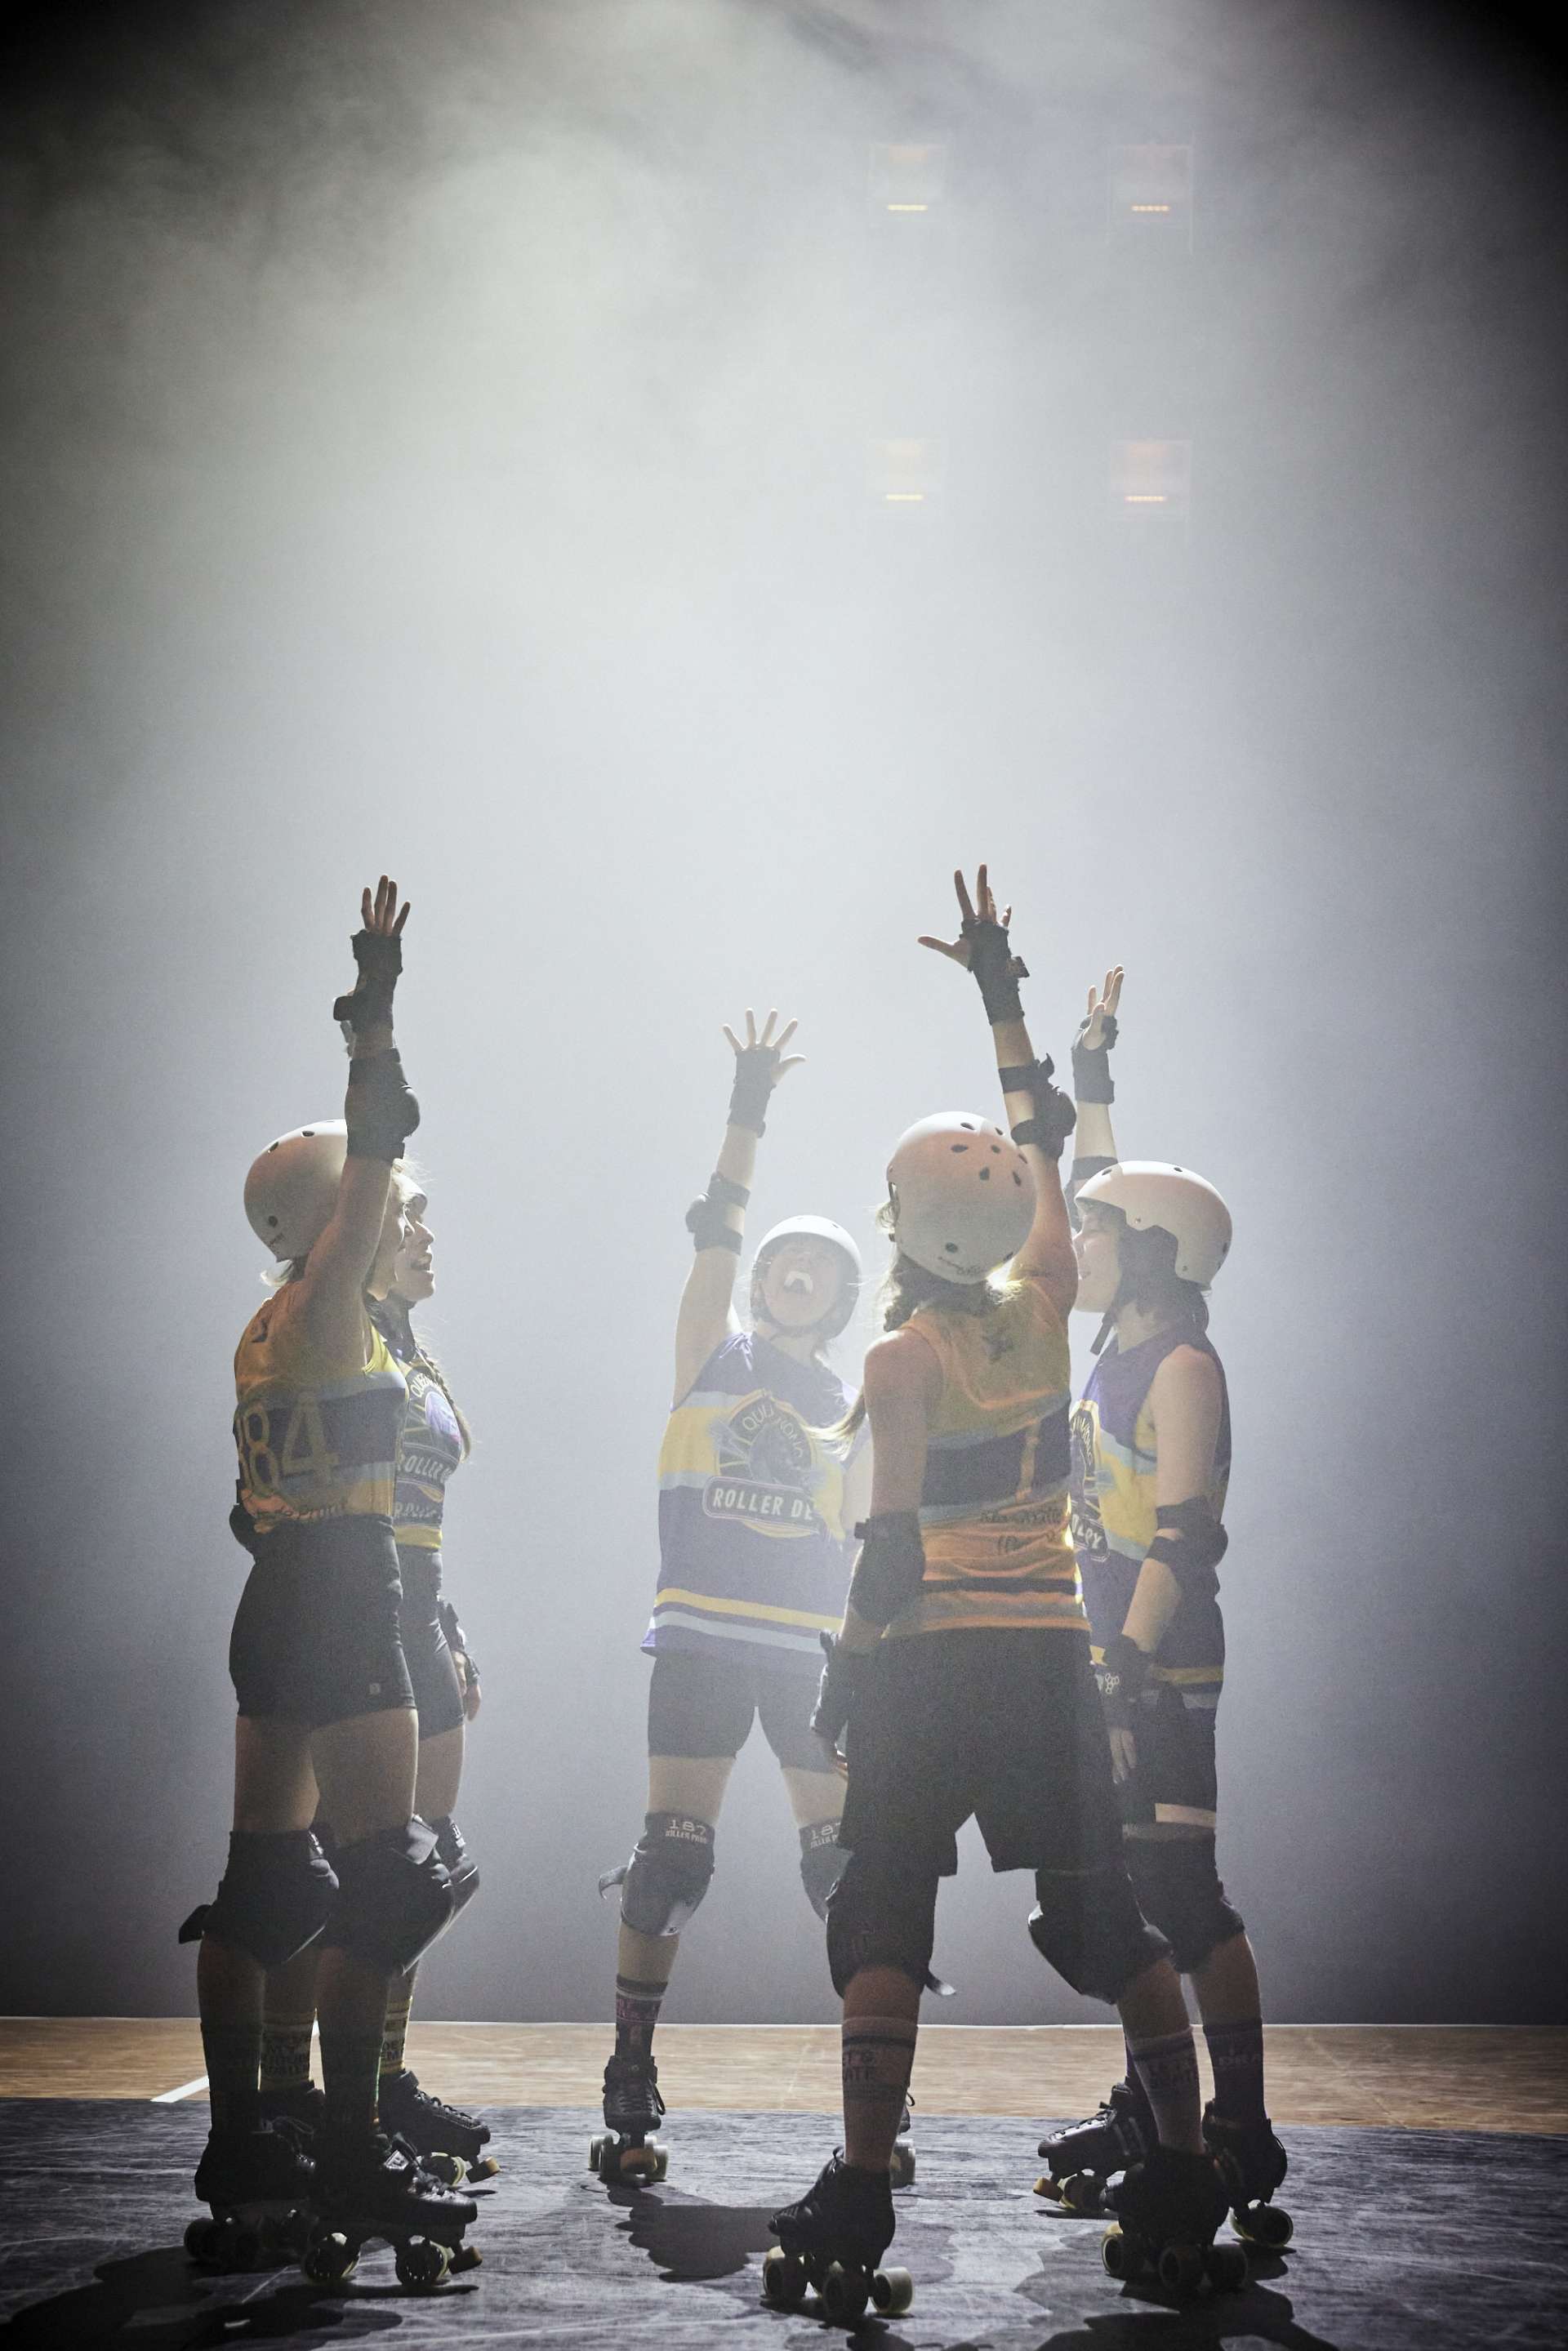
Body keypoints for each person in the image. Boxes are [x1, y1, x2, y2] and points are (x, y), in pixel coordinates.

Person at [764, 873, 1234, 2323]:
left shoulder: (899, 1360)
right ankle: (1183, 2160)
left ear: (900, 1220)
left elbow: (889, 1548)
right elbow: (1040, 1150)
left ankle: (858, 2179)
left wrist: (846, 1668)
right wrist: (1003, 1000)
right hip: (1044, 1657)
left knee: (884, 1920)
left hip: (929, 1664)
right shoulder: (1047, 1312)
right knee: (1111, 1924)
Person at [179, 879, 477, 2267]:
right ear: (326, 1223)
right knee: (385, 1884)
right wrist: (376, 1002)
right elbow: (371, 1154)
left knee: (265, 1885)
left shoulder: (267, 1325)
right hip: (350, 1590)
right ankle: (352, 2152)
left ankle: (249, 2137)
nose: (396, 1218)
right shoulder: (329, 1300)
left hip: (280, 1598)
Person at [1035, 970, 1291, 2246]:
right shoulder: (1122, 1339)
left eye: (1100, 1239)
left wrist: (1125, 1665)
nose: (1077, 1249)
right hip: (1106, 1642)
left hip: (1158, 1647)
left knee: (1181, 1896)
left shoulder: (1181, 1361)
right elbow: (1114, 1193)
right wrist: (1092, 1076)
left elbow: (1188, 1534)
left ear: (1148, 1262)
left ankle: (1235, 2124)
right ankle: (1161, 2108)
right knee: (1122, 1897)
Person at [594, 1010, 870, 2185]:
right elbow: (713, 1229)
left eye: (819, 1263)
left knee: (845, 1869)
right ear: (761, 1281)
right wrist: (748, 1110)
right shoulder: (716, 1352)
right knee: (672, 1861)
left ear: (845, 1293)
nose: (792, 1269)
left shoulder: (860, 1396)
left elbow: (863, 1536)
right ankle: (629, 2068)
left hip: (808, 1649)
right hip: (704, 1636)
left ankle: (876, 2096)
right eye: (780, 1260)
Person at [257, 1176, 494, 2179]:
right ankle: (290, 2101)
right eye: (410, 1217)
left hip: (415, 1606)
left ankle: (379, 2084)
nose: (429, 1232)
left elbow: (415, 1508)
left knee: (421, 1873)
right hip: (346, 1613)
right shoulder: (332, 1327)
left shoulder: (409, 1340)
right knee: (323, 1875)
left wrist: (446, 1618)